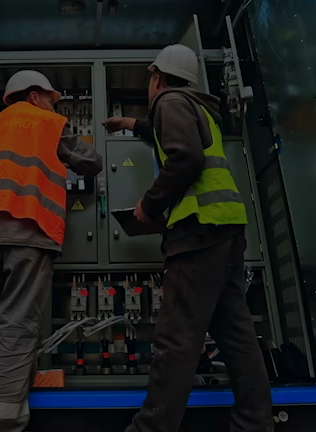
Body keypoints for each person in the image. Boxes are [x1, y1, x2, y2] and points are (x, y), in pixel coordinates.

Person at [104, 44, 273, 432]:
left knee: (175, 337)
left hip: (198, 231)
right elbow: (174, 138)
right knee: (236, 334)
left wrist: (149, 205)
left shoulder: (168, 102)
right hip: (227, 228)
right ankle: (254, 423)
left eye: (150, 78)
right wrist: (129, 124)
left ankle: (151, 428)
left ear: (158, 79)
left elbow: (185, 157)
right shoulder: (197, 107)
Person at [0, 70, 103, 432]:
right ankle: (4, 423)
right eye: (51, 97)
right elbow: (91, 162)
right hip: (31, 229)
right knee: (16, 326)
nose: (54, 103)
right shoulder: (48, 122)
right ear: (34, 96)